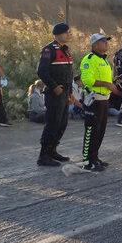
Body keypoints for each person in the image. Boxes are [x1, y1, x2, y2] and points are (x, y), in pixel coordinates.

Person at [36, 22, 77, 167]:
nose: (69, 35)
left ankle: (53, 150)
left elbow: (69, 74)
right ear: (59, 34)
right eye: (67, 32)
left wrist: (70, 93)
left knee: (62, 123)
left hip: (65, 92)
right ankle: (43, 155)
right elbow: (42, 71)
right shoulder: (49, 49)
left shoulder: (66, 50)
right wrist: (54, 87)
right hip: (55, 93)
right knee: (52, 123)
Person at [80, 33, 116, 171]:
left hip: (104, 100)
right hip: (94, 100)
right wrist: (107, 84)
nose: (106, 43)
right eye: (103, 41)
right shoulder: (89, 59)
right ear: (95, 45)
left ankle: (94, 157)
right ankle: (87, 161)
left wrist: (112, 84)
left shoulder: (105, 61)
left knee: (100, 131)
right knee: (91, 130)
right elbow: (87, 80)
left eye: (106, 41)